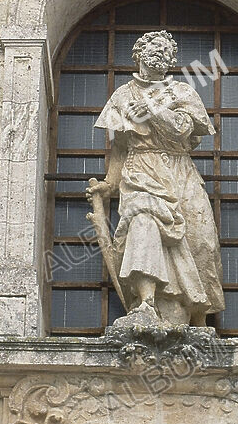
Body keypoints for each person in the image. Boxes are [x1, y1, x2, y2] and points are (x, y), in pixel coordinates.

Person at [87, 30, 225, 326]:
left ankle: (197, 316)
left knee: (200, 240)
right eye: (154, 47)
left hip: (180, 172)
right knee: (143, 226)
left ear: (172, 60)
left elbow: (184, 129)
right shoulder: (123, 96)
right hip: (142, 170)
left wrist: (153, 111)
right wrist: (110, 183)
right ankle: (146, 303)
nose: (159, 53)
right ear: (139, 54)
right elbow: (121, 145)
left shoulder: (183, 93)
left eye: (166, 51)